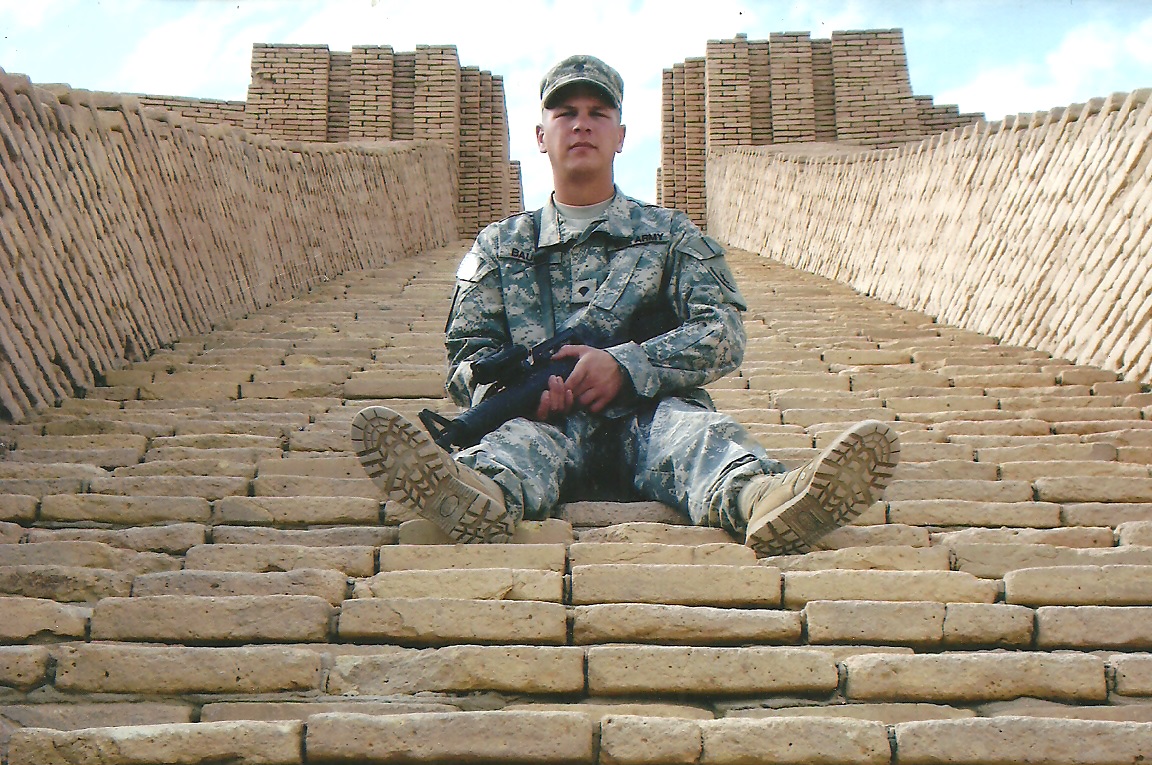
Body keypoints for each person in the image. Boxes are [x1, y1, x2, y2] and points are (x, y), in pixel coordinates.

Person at [351, 54, 900, 555]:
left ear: (620, 136)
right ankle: (476, 493)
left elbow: (723, 333)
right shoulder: (500, 245)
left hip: (651, 414)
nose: (581, 124)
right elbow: (468, 355)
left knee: (698, 437)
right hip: (550, 421)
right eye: (566, 113)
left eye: (598, 113)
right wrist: (512, 394)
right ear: (541, 136)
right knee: (515, 445)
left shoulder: (669, 234)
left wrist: (627, 366)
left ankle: (763, 499)